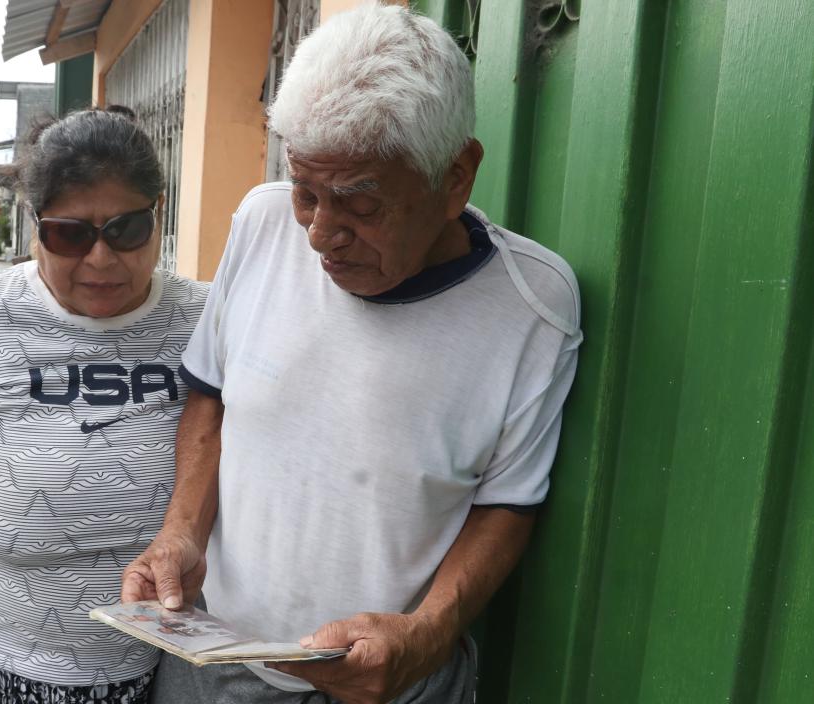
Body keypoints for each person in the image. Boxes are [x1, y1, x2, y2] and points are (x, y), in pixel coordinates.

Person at [121, 4, 582, 704]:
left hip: (398, 685)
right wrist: (181, 534)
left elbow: (507, 503)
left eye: (359, 206)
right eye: (308, 193)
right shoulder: (262, 222)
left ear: (456, 176)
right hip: (214, 664)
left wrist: (427, 633)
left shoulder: (534, 304)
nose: (318, 234)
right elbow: (211, 396)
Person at [0, 108, 208, 704]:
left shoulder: (205, 320)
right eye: (71, 234)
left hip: (157, 668)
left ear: (158, 215)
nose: (101, 261)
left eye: (127, 230)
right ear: (35, 226)